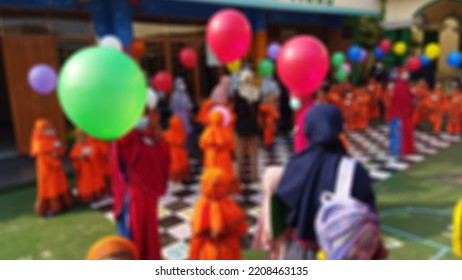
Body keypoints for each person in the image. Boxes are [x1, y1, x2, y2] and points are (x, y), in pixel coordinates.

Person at [275, 104, 385, 260]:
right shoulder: (353, 170)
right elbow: (368, 215)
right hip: (341, 252)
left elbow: (280, 211)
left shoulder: (294, 164)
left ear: (308, 129)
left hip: (297, 252)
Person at [111, 112, 170, 260]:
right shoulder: (127, 135)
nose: (146, 118)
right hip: (135, 193)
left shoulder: (148, 135)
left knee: (150, 230)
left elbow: (162, 155)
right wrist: (132, 127)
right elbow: (121, 143)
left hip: (150, 193)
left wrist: (158, 137)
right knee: (136, 231)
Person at [189, 168, 247, 260]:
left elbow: (197, 234)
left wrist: (194, 255)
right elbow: (242, 229)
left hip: (209, 250)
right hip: (229, 248)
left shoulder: (200, 205)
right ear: (225, 186)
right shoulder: (231, 206)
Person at [30, 119, 73, 216]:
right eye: (47, 128)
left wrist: (59, 151)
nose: (50, 130)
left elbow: (60, 150)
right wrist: (54, 160)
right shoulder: (39, 143)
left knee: (60, 185)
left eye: (50, 127)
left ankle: (63, 203)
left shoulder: (53, 139)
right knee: (50, 188)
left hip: (57, 169)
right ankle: (50, 207)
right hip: (48, 171)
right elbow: (43, 158)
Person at [199, 109, 240, 194]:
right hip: (224, 156)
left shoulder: (206, 132)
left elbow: (202, 145)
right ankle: (225, 189)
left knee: (211, 173)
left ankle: (212, 188)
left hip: (211, 157)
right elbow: (231, 146)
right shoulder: (226, 132)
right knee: (225, 172)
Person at [232, 69, 261, 183]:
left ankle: (240, 175)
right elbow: (257, 109)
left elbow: (236, 110)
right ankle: (254, 175)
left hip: (240, 125)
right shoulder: (255, 92)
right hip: (253, 125)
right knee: (253, 152)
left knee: (239, 152)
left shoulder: (238, 93)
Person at [253, 166, 286, 260]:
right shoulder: (284, 199)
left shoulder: (268, 200)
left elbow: (267, 226)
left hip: (272, 242)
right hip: (283, 242)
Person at [70, 129, 106, 203]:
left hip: (93, 168)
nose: (81, 139)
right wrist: (79, 157)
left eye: (83, 137)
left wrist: (88, 157)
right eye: (79, 137)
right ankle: (87, 197)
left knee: (95, 182)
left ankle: (97, 195)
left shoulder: (92, 145)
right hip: (83, 170)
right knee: (86, 184)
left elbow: (95, 153)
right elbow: (73, 156)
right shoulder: (76, 146)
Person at [388, 69, 415, 156]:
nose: (406, 75)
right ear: (400, 75)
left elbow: (409, 97)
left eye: (407, 73)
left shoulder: (406, 85)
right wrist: (410, 102)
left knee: (406, 131)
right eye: (404, 73)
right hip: (399, 113)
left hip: (405, 113)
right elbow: (401, 99)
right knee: (398, 132)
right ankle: (397, 150)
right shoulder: (399, 85)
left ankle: (406, 149)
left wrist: (412, 99)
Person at [163, 115, 190, 183]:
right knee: (182, 164)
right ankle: (183, 177)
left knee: (175, 165)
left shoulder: (168, 133)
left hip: (172, 152)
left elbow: (165, 139)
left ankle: (176, 179)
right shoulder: (182, 133)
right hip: (181, 151)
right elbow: (182, 141)